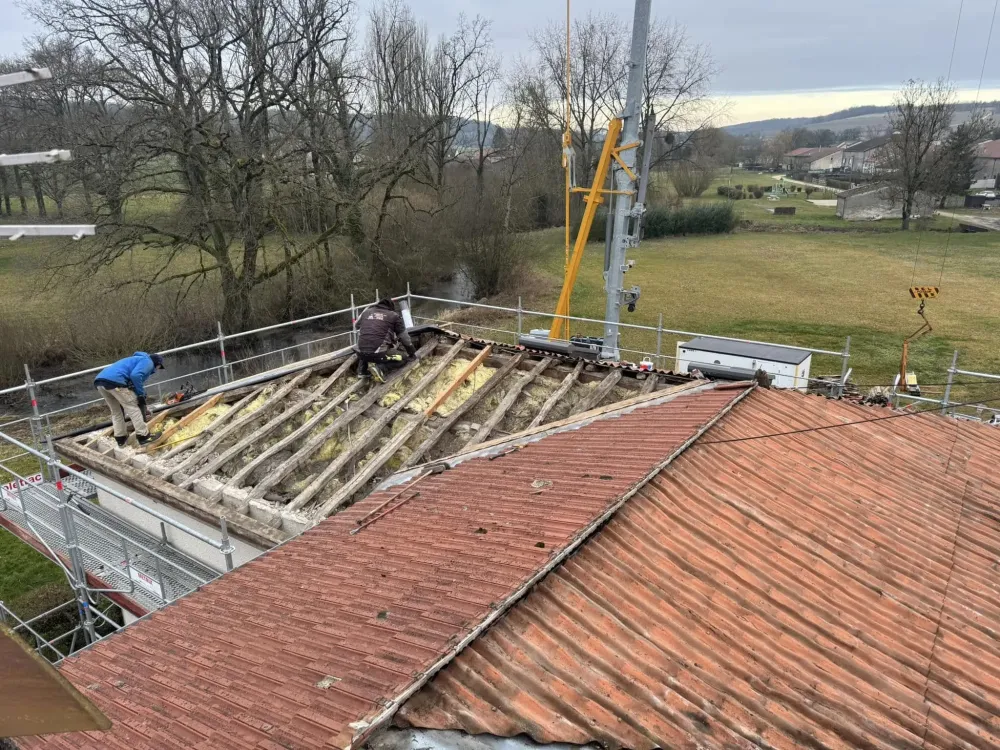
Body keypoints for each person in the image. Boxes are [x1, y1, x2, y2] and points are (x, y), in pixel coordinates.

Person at [93, 352, 165, 446]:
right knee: (134, 409)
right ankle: (144, 437)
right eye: (159, 367)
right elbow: (136, 376)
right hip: (115, 382)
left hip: (100, 382)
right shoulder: (148, 361)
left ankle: (120, 438)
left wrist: (139, 393)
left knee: (116, 412)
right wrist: (140, 394)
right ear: (157, 363)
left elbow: (131, 382)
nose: (158, 369)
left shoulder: (135, 360)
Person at [356, 298, 416, 382]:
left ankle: (362, 371)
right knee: (404, 358)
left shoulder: (367, 312)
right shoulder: (393, 316)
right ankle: (380, 368)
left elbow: (357, 325)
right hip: (378, 353)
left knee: (367, 343)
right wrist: (411, 352)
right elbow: (404, 337)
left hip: (360, 353)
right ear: (391, 308)